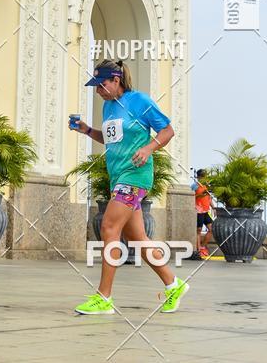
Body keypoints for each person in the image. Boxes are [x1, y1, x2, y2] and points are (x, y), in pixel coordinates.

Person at [70, 60, 189, 315]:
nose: (98, 91)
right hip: (118, 177)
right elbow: (110, 138)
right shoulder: (108, 107)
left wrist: (148, 149)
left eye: (101, 85)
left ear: (116, 80)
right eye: (95, 86)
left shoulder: (139, 101)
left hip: (135, 176)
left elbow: (167, 130)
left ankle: (104, 298)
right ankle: (173, 284)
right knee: (137, 239)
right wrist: (87, 130)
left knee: (108, 227)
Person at [191, 169, 214, 259]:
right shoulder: (194, 186)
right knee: (199, 230)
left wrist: (214, 207)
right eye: (203, 176)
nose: (205, 178)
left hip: (205, 210)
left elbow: (209, 198)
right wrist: (200, 195)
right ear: (199, 177)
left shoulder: (206, 186)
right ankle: (198, 249)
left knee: (211, 229)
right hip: (198, 210)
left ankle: (203, 246)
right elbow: (191, 196)